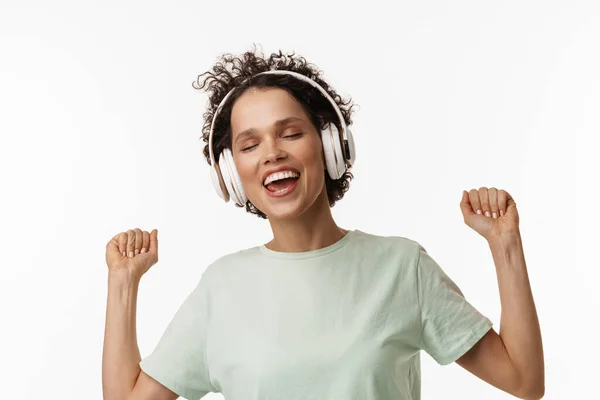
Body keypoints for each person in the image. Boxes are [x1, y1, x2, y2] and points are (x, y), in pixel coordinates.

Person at [102, 47, 544, 400]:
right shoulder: (221, 287)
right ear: (233, 175)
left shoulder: (402, 267)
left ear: (331, 145)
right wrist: (123, 282)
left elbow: (524, 381)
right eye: (249, 144)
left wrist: (506, 246)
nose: (272, 153)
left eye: (291, 133)